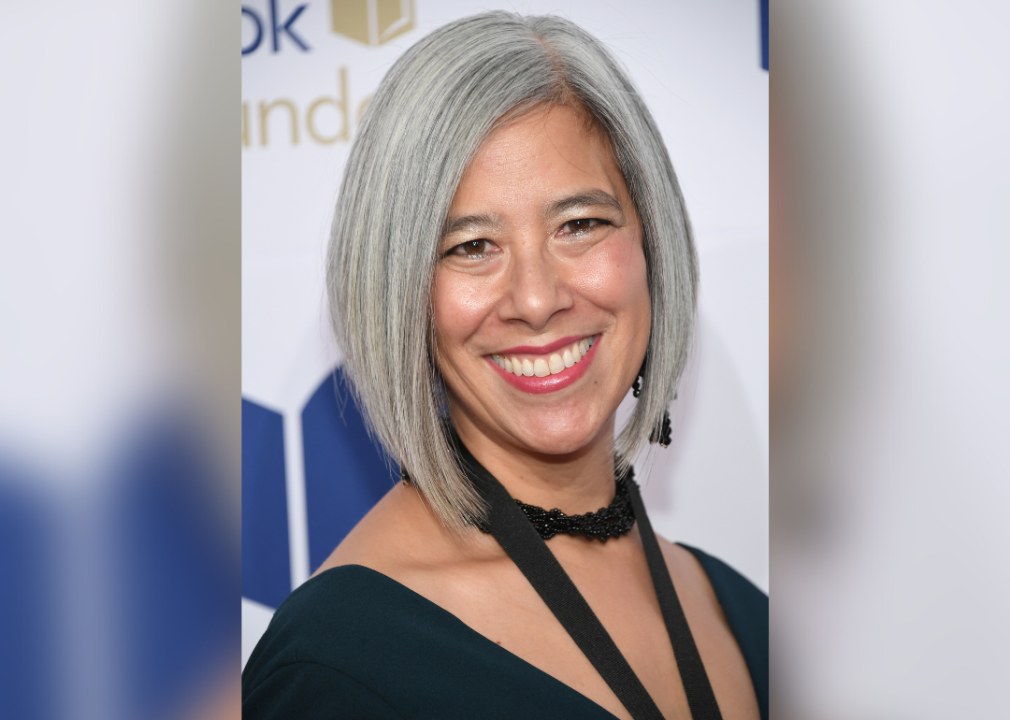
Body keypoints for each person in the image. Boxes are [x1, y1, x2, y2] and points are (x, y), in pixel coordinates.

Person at [242, 11, 767, 720]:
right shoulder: (336, 665)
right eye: (471, 246)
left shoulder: (743, 612)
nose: (537, 299)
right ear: (401, 295)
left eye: (579, 225)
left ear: (652, 243)